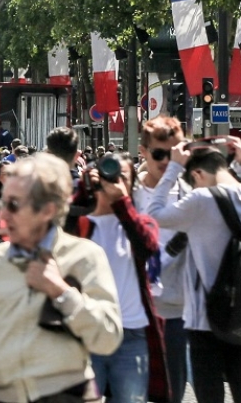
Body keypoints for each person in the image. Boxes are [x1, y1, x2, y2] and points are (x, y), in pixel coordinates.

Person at [0, 153, 123, 403]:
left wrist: (62, 292)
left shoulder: (85, 257)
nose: (4, 214)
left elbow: (108, 336)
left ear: (48, 209)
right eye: (3, 203)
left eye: (14, 204)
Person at [142, 138, 241, 403]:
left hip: (205, 319)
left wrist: (174, 167)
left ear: (197, 174)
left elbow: (155, 213)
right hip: (239, 317)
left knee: (209, 396)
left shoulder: (201, 200)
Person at [72, 154, 166, 403]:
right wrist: (85, 188)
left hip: (131, 332)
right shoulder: (79, 223)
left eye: (123, 177)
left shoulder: (140, 222)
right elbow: (57, 226)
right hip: (86, 333)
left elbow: (148, 246)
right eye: (108, 175)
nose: (114, 181)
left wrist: (121, 202)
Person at [132, 118, 189, 403]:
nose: (167, 161)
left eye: (174, 153)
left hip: (177, 310)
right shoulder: (129, 193)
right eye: (158, 154)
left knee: (172, 393)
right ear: (143, 151)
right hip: (135, 310)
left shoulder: (192, 193)